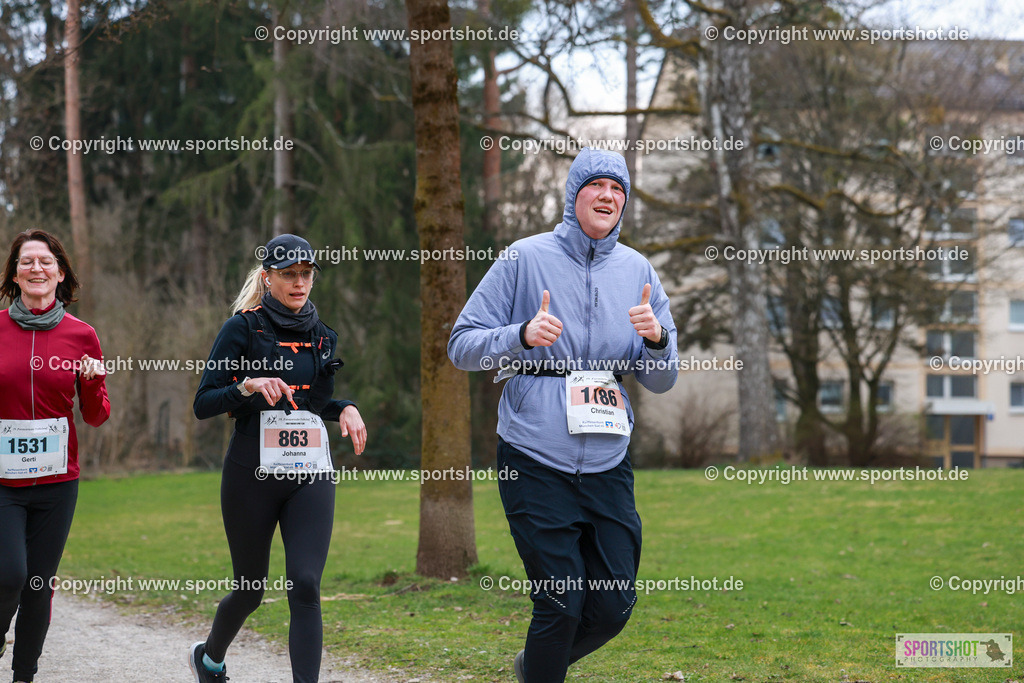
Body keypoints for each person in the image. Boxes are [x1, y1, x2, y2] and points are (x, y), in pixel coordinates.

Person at [448, 148, 679, 682]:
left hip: (607, 461)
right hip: (534, 455)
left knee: (614, 605)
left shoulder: (638, 269)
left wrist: (657, 338)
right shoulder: (524, 257)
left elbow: (662, 379)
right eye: (596, 185)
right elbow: (462, 347)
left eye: (618, 189)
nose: (608, 196)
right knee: (560, 605)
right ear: (574, 194)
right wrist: (521, 335)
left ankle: (534, 669)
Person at [189, 234, 366, 683]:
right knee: (250, 589)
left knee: (305, 584)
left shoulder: (322, 336)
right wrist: (246, 387)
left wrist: (343, 406)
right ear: (267, 277)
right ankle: (209, 658)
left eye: (306, 274)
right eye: (289, 274)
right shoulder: (242, 328)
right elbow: (205, 401)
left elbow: (308, 403)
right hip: (251, 474)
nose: (299, 282)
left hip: (309, 473)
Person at [0, 229, 110, 683]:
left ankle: (24, 675)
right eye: (26, 262)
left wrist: (92, 381)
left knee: (38, 586)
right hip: (3, 483)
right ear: (14, 275)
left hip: (57, 482)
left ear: (60, 273)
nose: (37, 269)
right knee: (10, 576)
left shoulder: (82, 335)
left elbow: (97, 416)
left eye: (46, 261)